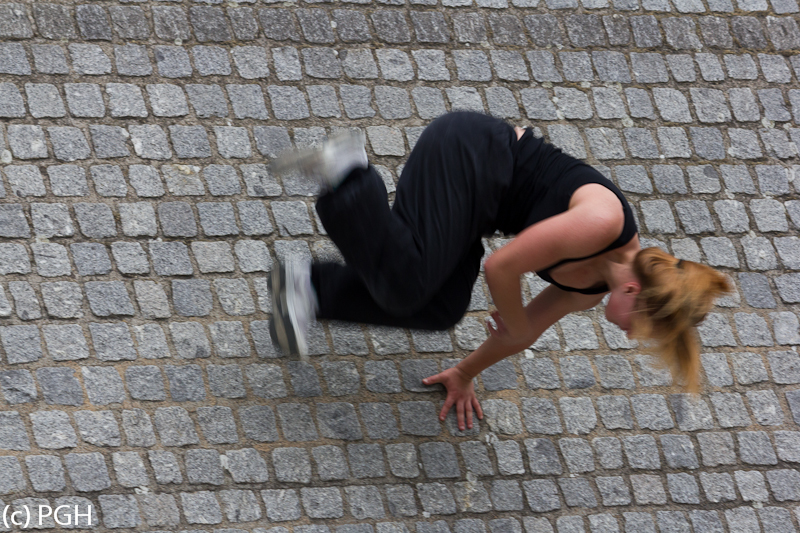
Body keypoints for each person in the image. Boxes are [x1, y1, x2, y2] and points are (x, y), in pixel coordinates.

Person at [269, 111, 732, 431]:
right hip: (467, 154)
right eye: (643, 325)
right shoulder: (602, 222)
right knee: (407, 280)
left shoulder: (590, 289)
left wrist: (466, 372)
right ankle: (349, 178)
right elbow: (501, 267)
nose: (632, 335)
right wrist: (511, 315)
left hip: (477, 208)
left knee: (441, 309)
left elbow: (522, 333)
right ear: (634, 289)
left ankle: (307, 288)